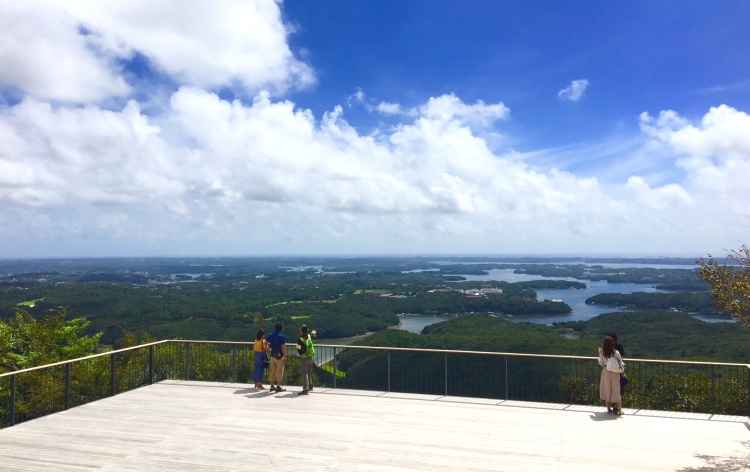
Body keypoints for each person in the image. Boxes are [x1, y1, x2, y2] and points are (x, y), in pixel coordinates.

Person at [598, 336, 624, 415]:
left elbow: (602, 363)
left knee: (607, 389)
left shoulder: (602, 352)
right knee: (616, 390)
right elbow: (620, 363)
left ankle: (609, 409)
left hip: (606, 371)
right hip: (614, 373)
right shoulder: (616, 352)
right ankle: (619, 411)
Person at [266, 322, 287, 392]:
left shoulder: (271, 335)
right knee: (279, 371)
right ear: (281, 328)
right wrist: (285, 356)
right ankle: (278, 386)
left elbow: (265, 343)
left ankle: (272, 385)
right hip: (279, 356)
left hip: (272, 355)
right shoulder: (281, 336)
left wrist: (268, 349)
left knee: (272, 371)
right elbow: (283, 347)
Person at [296, 325, 316, 395]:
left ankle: (305, 388)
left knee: (305, 373)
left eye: (300, 330)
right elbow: (311, 340)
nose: (299, 331)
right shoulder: (309, 336)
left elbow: (298, 349)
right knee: (309, 372)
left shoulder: (300, 340)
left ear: (302, 331)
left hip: (304, 358)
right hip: (310, 357)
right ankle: (310, 386)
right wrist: (313, 334)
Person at [608, 331, 628, 397]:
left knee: (610, 388)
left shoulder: (606, 348)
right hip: (618, 370)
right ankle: (618, 404)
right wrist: (623, 371)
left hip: (609, 370)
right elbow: (621, 360)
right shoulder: (620, 347)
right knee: (619, 389)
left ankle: (611, 404)